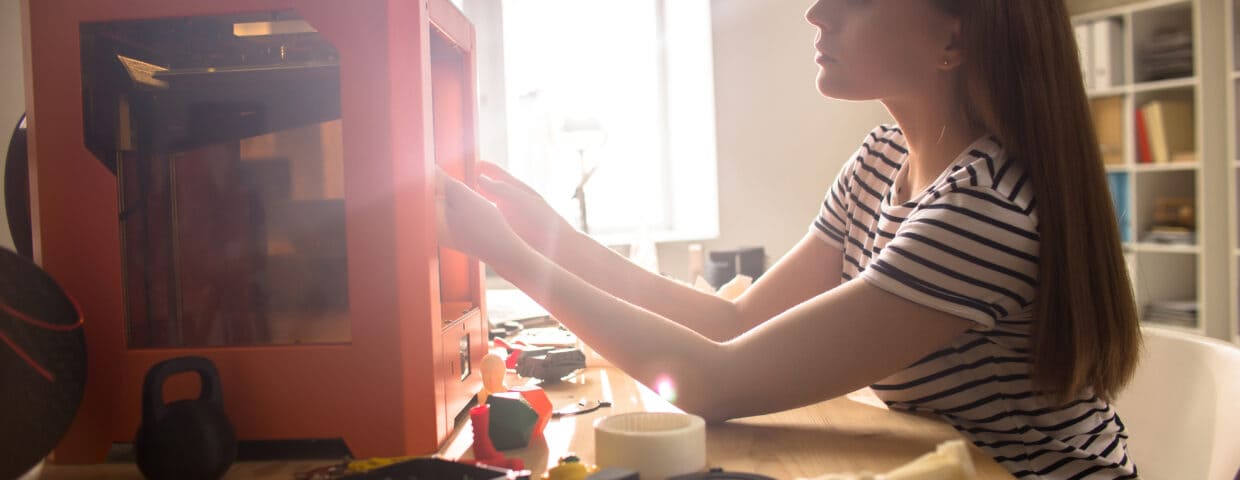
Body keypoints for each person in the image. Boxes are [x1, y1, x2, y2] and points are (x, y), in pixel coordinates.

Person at [437, 0, 1141, 478]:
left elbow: (717, 381)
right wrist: (552, 239)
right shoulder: (881, 160)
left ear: (953, 40)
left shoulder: (984, 208)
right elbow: (736, 322)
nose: (816, 10)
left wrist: (511, 256)